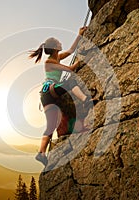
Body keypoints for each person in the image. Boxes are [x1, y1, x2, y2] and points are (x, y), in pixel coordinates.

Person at [29, 27, 94, 166]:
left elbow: (71, 51)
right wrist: (82, 60)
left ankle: (41, 153)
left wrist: (79, 35)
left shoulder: (56, 58)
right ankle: (85, 100)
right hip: (50, 91)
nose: (60, 43)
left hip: (46, 95)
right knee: (71, 81)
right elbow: (70, 69)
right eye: (58, 42)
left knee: (51, 126)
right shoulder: (50, 62)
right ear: (54, 47)